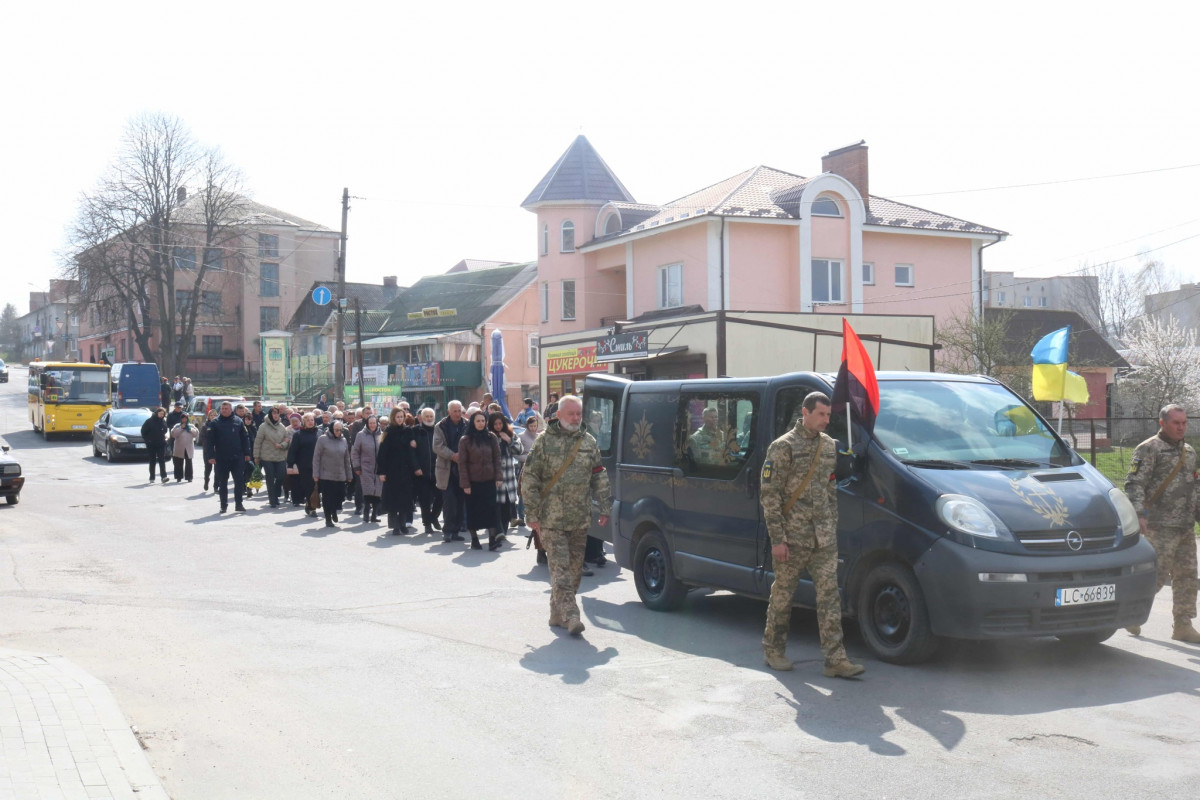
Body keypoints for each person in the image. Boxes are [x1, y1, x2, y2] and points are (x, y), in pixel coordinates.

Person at [759, 391, 864, 677]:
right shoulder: (783, 447)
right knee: (783, 595)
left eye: (829, 415)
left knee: (830, 597)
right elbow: (770, 496)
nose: (826, 420)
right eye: (821, 414)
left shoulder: (829, 446)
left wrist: (831, 525)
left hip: (823, 539)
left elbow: (831, 490)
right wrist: (778, 539)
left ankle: (835, 660)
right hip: (792, 538)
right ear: (805, 413)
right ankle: (773, 649)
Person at [521, 395, 611, 635]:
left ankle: (556, 613)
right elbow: (529, 478)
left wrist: (605, 506)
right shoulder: (543, 442)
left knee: (573, 571)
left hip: (579, 518)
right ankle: (572, 617)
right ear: (558, 415)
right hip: (551, 519)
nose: (575, 418)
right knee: (560, 570)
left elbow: (599, 475)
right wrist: (531, 512)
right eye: (571, 414)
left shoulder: (589, 442)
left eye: (579, 413)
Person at [1124, 403, 1200, 643]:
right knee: (1155, 575)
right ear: (1163, 423)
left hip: (1185, 525)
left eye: (1184, 423)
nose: (1181, 427)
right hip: (1159, 525)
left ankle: (1183, 624)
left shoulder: (1189, 451)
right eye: (1176, 423)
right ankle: (1132, 614)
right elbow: (1135, 483)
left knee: (1187, 576)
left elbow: (1194, 487)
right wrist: (1139, 513)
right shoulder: (1149, 449)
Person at [459, 410, 503, 551]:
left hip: (489, 480)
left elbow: (497, 458)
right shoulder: (465, 440)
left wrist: (499, 476)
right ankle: (474, 539)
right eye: (478, 421)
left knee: (491, 510)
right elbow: (462, 464)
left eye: (483, 421)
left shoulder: (491, 437)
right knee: (473, 511)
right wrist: (465, 484)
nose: (481, 423)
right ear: (473, 422)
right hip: (473, 482)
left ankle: (492, 540)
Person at [203, 400, 252, 514]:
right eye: (223, 409)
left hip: (237, 457)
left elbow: (245, 438)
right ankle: (223, 505)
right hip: (221, 458)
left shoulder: (238, 421)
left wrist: (247, 454)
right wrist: (210, 456)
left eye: (226, 409)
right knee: (223, 483)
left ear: (231, 410)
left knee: (239, 481)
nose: (224, 411)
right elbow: (209, 442)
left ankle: (239, 504)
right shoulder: (215, 422)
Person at [433, 400, 469, 543]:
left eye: (459, 411)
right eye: (454, 411)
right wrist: (452, 455)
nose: (457, 414)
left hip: (463, 470)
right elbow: (437, 446)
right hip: (446, 469)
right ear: (448, 412)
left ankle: (456, 531)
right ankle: (447, 530)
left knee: (461, 502)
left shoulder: (466, 424)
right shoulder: (440, 426)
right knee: (449, 502)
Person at [378, 407, 416, 535]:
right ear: (393, 418)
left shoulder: (408, 431)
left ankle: (403, 524)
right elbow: (382, 454)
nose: (400, 419)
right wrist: (381, 472)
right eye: (397, 417)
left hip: (405, 470)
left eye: (401, 417)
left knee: (405, 499)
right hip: (391, 470)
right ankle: (395, 525)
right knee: (393, 499)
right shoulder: (388, 431)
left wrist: (413, 443)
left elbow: (412, 450)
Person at [312, 420, 353, 528]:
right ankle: (328, 518)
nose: (339, 432)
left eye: (340, 430)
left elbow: (347, 459)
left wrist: (349, 475)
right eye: (336, 430)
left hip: (340, 474)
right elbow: (316, 457)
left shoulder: (343, 440)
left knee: (339, 496)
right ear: (331, 429)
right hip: (326, 474)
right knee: (327, 498)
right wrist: (315, 473)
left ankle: (334, 510)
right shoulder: (322, 439)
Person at [491, 412, 523, 534]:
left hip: (509, 475)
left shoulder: (511, 434)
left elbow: (519, 450)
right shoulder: (489, 436)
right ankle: (498, 530)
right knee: (496, 505)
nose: (498, 426)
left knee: (506, 505)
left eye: (500, 424)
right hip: (494, 476)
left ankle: (503, 530)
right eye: (495, 424)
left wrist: (509, 440)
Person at [412, 408, 443, 534]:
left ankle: (433, 517)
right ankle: (427, 525)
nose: (429, 418)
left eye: (431, 416)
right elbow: (411, 453)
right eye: (427, 416)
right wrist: (416, 467)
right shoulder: (415, 431)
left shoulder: (439, 430)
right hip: (421, 471)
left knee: (441, 497)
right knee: (424, 501)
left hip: (438, 471)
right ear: (421, 417)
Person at [253, 406, 291, 508]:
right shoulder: (263, 426)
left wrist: (282, 445)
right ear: (270, 414)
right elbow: (258, 442)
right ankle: (272, 499)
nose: (275, 415)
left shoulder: (282, 426)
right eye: (274, 413)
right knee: (269, 478)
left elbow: (286, 440)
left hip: (280, 456)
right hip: (267, 457)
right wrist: (256, 456)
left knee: (281, 476)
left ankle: (275, 494)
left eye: (277, 413)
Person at [352, 414, 384, 524]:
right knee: (368, 491)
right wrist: (356, 466)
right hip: (365, 467)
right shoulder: (361, 435)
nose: (372, 425)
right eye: (370, 423)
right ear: (367, 423)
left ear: (377, 423)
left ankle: (374, 515)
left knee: (377, 492)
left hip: (379, 468)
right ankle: (366, 513)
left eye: (374, 423)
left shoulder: (382, 435)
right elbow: (355, 451)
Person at [287, 413, 320, 516]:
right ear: (304, 422)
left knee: (318, 487)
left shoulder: (319, 433)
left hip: (319, 465)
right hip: (305, 465)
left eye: (312, 420)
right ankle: (311, 508)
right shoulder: (298, 434)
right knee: (309, 487)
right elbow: (293, 450)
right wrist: (291, 464)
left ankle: (309, 503)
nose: (311, 422)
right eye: (308, 420)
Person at [515, 411, 542, 532]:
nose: (533, 428)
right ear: (527, 426)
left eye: (535, 426)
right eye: (531, 426)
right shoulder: (521, 436)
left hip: (538, 468)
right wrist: (528, 458)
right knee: (523, 492)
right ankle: (521, 515)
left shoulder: (539, 437)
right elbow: (516, 454)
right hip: (524, 467)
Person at [141, 407, 170, 484]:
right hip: (151, 444)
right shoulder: (149, 421)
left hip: (161, 443)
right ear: (157, 413)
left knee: (162, 460)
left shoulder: (163, 421)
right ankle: (152, 477)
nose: (161, 415)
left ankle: (164, 476)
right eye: (160, 413)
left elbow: (165, 430)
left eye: (163, 414)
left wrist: (164, 436)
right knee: (152, 461)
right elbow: (143, 432)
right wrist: (148, 441)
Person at [169, 415, 196, 483]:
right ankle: (179, 477)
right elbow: (173, 434)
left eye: (185, 419)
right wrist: (181, 428)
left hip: (188, 447)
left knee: (189, 462)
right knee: (178, 463)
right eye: (183, 419)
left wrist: (190, 429)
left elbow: (196, 433)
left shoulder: (191, 426)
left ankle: (189, 477)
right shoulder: (177, 426)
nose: (184, 420)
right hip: (179, 447)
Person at [197, 409, 219, 491]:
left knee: (217, 469)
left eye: (215, 415)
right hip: (208, 450)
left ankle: (216, 486)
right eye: (211, 415)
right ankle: (206, 481)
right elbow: (203, 439)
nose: (213, 417)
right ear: (208, 416)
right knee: (208, 468)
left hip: (217, 450)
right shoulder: (205, 426)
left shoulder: (219, 425)